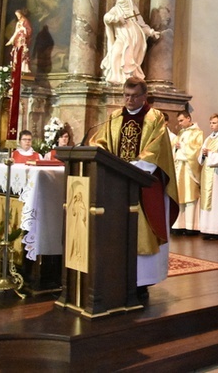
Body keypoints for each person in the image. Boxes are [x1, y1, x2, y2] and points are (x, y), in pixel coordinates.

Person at [89, 77, 177, 301]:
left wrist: (135, 166)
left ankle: (142, 283)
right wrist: (101, 154)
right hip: (117, 184)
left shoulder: (154, 117)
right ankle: (116, 276)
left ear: (144, 96)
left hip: (145, 183)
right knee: (116, 229)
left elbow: (158, 148)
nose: (129, 100)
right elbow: (100, 142)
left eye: (134, 96)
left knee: (143, 231)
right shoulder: (115, 117)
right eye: (126, 95)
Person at [101, 0, 160, 84]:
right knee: (115, 54)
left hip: (135, 41)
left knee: (130, 58)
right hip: (122, 38)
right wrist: (116, 19)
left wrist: (151, 32)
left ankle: (129, 78)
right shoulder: (116, 10)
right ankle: (116, 77)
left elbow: (142, 24)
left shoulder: (134, 10)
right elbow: (106, 17)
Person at [172, 110, 203, 235]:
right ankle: (179, 225)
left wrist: (183, 146)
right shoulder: (181, 133)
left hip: (189, 168)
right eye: (178, 121)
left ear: (188, 118)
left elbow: (197, 149)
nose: (179, 124)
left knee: (190, 196)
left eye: (181, 120)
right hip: (180, 166)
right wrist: (176, 146)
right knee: (179, 196)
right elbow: (174, 147)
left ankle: (191, 226)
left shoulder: (198, 133)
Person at [6, 9, 32, 74]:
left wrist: (23, 30)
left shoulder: (25, 21)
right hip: (17, 40)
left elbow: (29, 30)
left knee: (23, 53)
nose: (18, 16)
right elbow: (16, 31)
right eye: (16, 15)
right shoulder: (18, 22)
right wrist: (12, 39)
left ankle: (24, 68)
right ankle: (17, 67)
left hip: (22, 40)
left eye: (18, 15)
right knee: (16, 53)